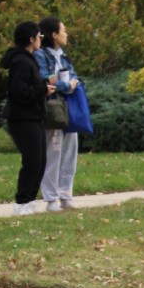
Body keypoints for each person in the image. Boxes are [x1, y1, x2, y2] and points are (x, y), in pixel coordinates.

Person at [0, 21, 54, 216]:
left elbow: (30, 86)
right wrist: (42, 89)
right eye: (39, 37)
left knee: (40, 160)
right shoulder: (21, 61)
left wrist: (44, 85)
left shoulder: (28, 59)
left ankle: (30, 200)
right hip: (22, 118)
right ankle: (22, 202)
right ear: (31, 39)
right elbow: (19, 91)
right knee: (32, 160)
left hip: (33, 116)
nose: (41, 40)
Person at [36, 16, 81, 210]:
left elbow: (75, 77)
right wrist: (67, 85)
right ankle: (51, 198)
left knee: (70, 152)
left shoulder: (63, 56)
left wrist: (67, 83)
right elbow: (46, 80)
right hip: (52, 109)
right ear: (54, 34)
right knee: (53, 152)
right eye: (63, 30)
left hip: (68, 108)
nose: (66, 34)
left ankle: (66, 195)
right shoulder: (41, 56)